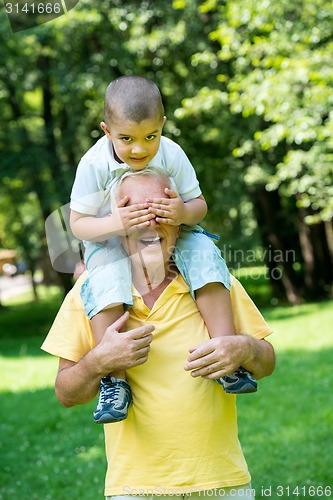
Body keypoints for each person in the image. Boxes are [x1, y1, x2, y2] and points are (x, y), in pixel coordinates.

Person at [42, 169, 275, 500]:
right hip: (135, 490)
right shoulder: (91, 292)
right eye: (136, 213)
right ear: (118, 228)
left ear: (178, 223)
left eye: (160, 210)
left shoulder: (213, 283)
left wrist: (245, 349)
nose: (150, 223)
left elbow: (267, 362)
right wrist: (99, 361)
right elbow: (66, 393)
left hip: (223, 483)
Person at [69, 76, 256, 424]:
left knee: (206, 258)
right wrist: (116, 223)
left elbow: (198, 204)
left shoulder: (171, 152)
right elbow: (78, 224)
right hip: (108, 237)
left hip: (174, 229)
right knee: (106, 281)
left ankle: (225, 353)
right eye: (127, 139)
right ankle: (114, 382)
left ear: (163, 126)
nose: (139, 149)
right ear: (107, 130)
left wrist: (183, 212)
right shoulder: (93, 164)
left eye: (150, 137)